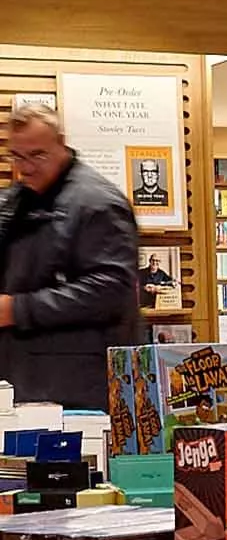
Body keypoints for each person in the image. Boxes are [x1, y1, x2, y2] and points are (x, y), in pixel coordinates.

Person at [0, 101, 142, 407]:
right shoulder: (22, 198)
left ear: (61, 144)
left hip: (76, 388)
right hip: (32, 380)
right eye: (17, 156)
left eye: (37, 154)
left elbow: (111, 290)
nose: (25, 167)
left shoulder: (98, 203)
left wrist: (17, 309)